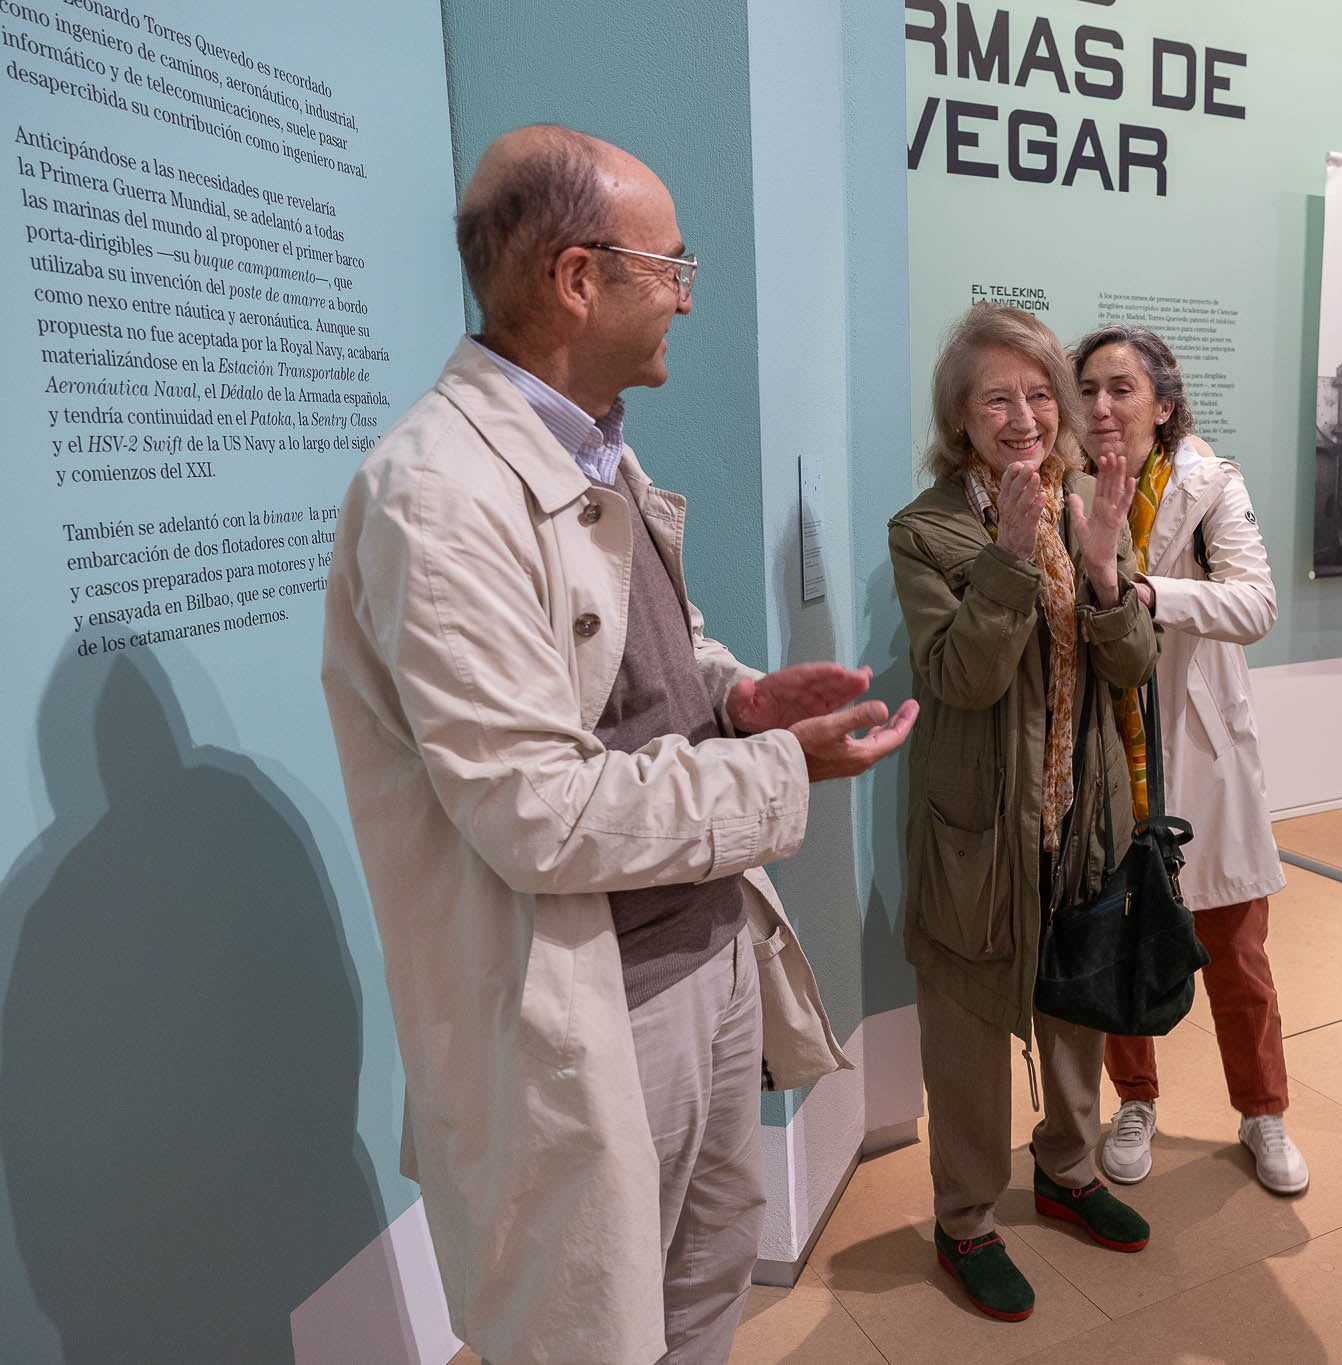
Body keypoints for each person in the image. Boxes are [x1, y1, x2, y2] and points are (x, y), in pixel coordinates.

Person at [321, 126, 915, 1365]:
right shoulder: (436, 494)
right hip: (589, 1006)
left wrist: (740, 702)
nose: (687, 298)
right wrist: (780, 767)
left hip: (700, 955)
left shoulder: (594, 449)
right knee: (583, 1334)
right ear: (578, 279)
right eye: (672, 268)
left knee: (702, 1286)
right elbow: (537, 812)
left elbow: (643, 669)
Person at [888, 305, 1159, 1323]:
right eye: (995, 397)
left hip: (1079, 815)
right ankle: (963, 1219)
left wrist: (1099, 572)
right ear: (959, 418)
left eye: (1040, 392)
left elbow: (1134, 669)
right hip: (977, 830)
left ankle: (1066, 1169)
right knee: (964, 1030)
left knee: (1074, 1009)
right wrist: (1006, 556)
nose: (1024, 415)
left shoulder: (1088, 502)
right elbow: (959, 677)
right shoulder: (925, 531)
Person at [1070, 325, 1305, 1197]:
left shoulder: (1211, 485)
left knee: (1235, 948)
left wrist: (1147, 592)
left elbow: (1255, 602)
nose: (1101, 406)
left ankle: (1263, 1109)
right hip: (1106, 741)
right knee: (1116, 931)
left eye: (1122, 388)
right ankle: (1135, 1098)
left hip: (1201, 745)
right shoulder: (1063, 485)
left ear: (1163, 405)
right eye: (1088, 387)